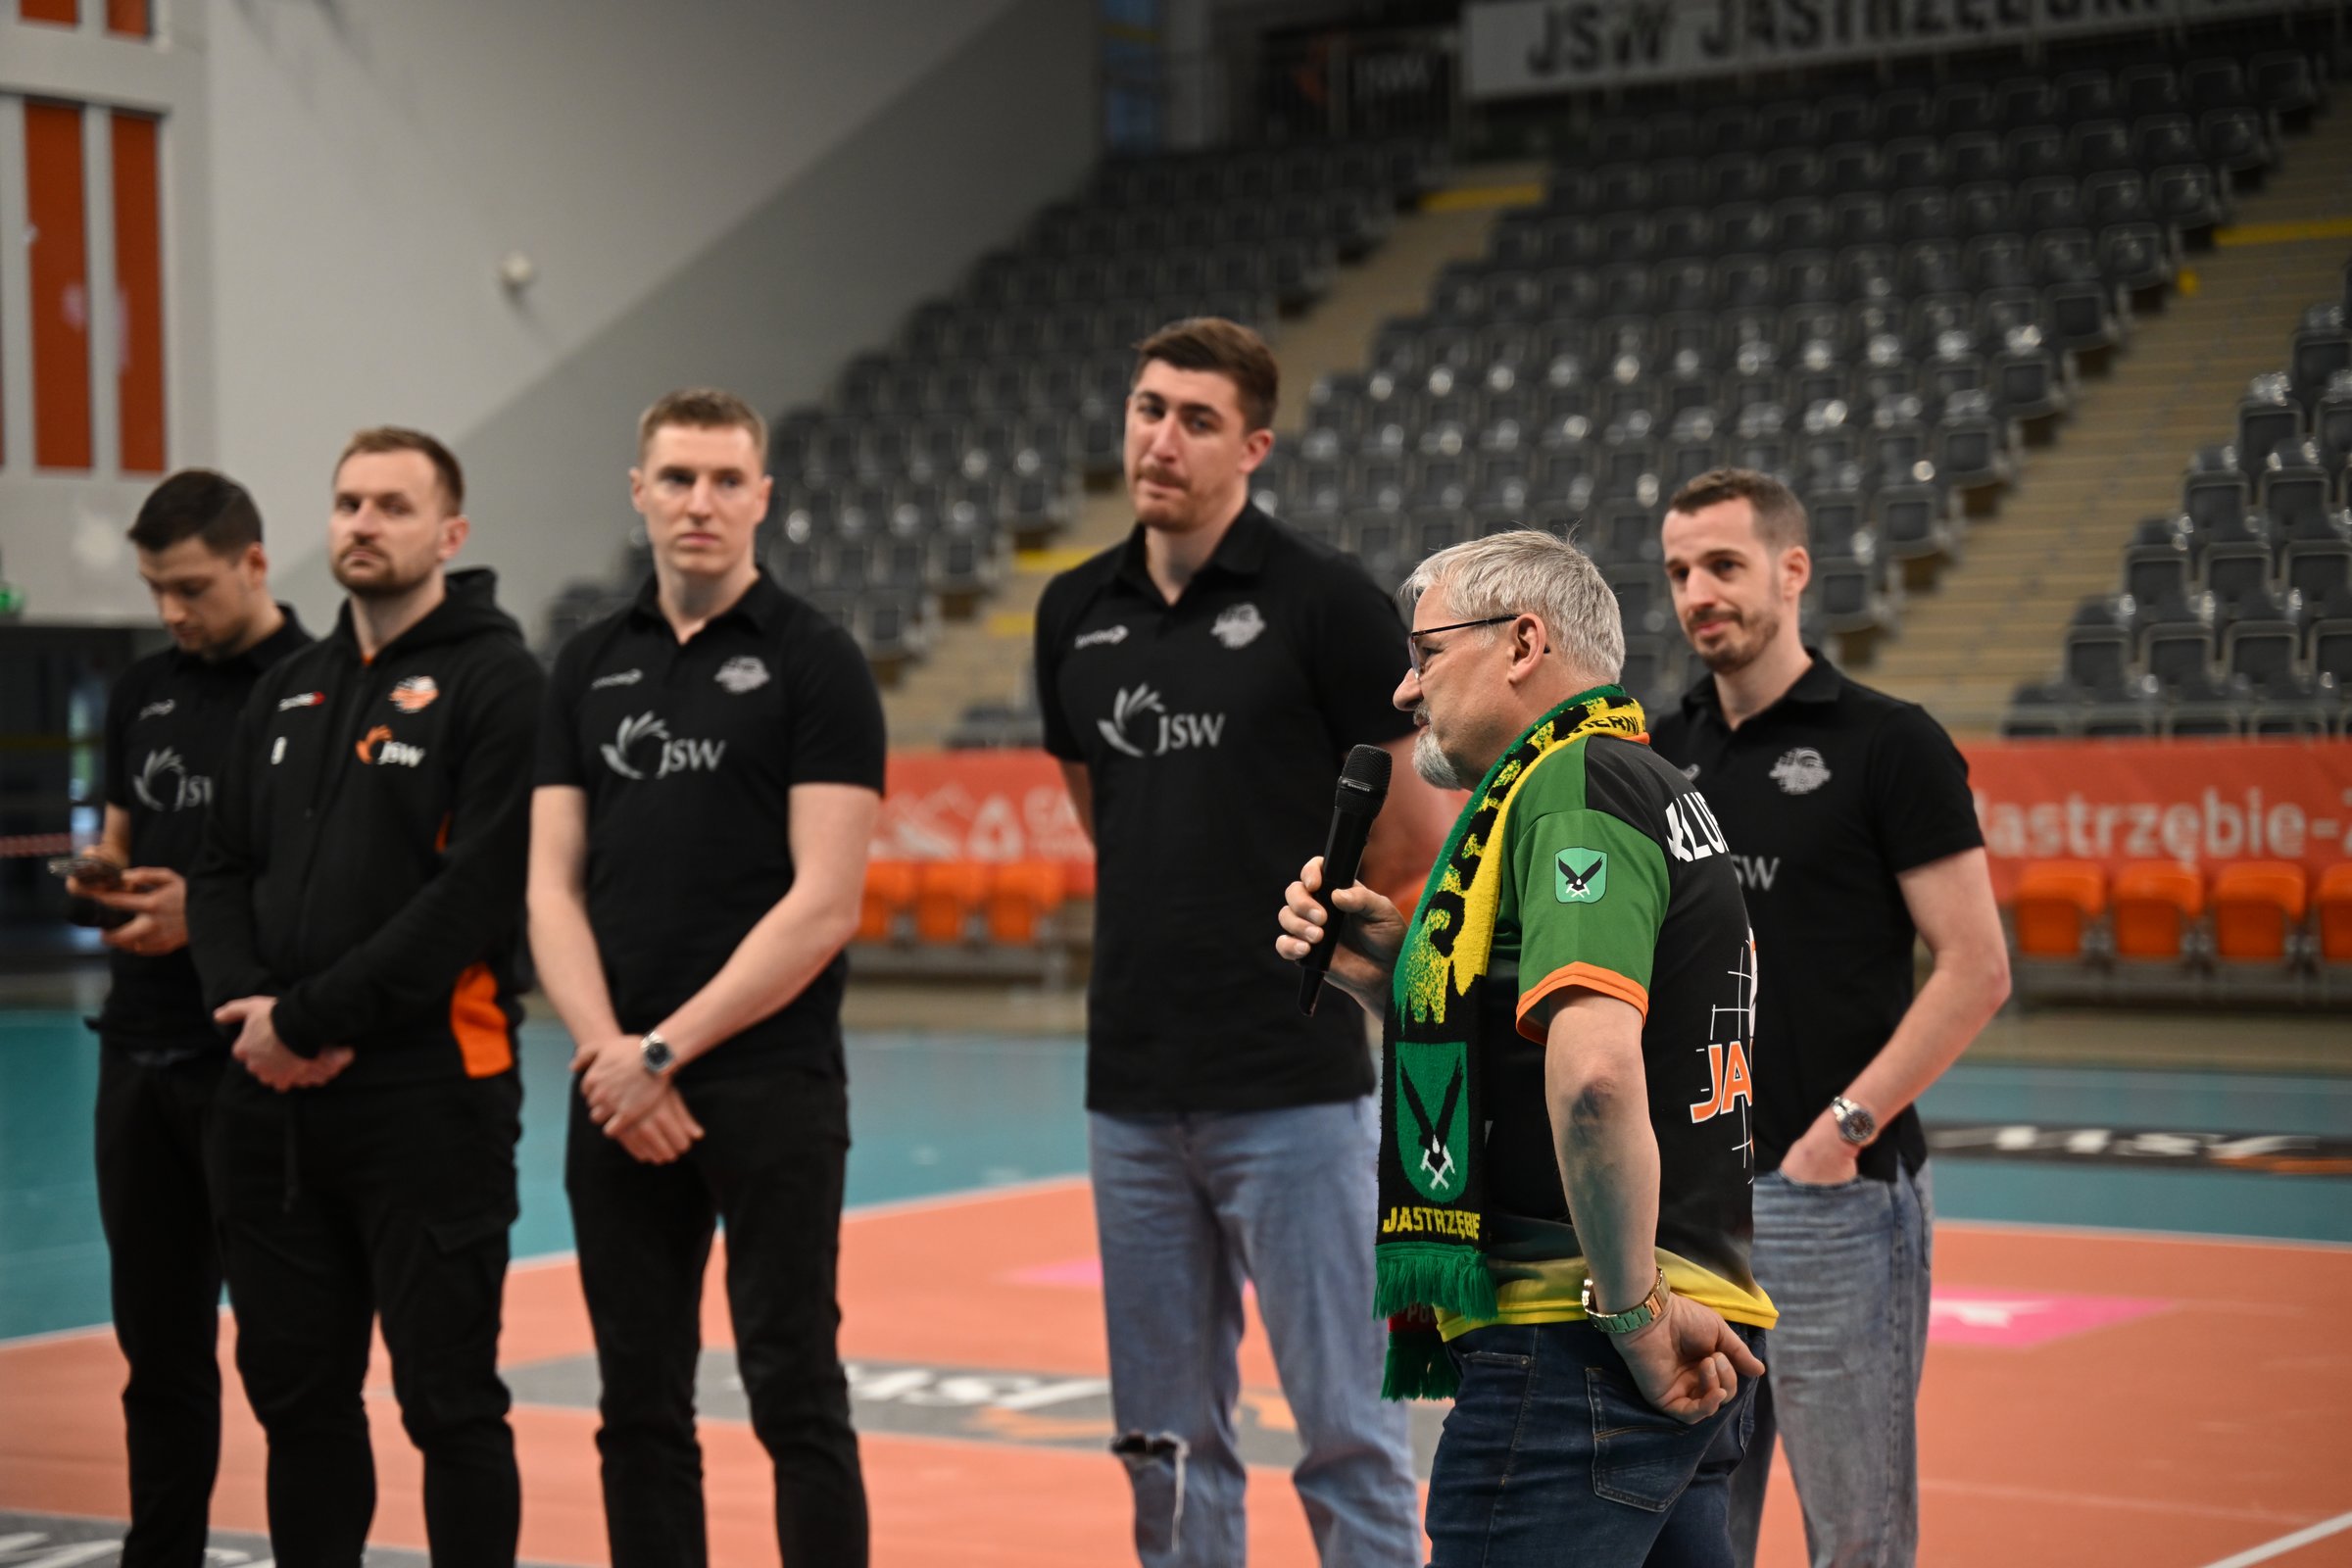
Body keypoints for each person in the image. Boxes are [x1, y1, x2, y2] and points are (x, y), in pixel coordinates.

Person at [1278, 528, 1775, 1566]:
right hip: (1691, 1315)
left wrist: (1632, 1313)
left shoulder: (1571, 783)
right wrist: (1397, 977)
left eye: (1426, 655)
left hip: (1583, 1335)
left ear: (1521, 643)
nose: (1405, 691)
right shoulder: (1650, 782)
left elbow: (1594, 1078)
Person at [1032, 317, 1433, 1568]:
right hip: (1132, 1093)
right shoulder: (1070, 610)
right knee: (1164, 1440)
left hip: (1294, 1088)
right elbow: (1105, 817)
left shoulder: (1327, 602)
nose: (1162, 439)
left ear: (1253, 446)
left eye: (1197, 420)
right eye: (1149, 408)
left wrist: (1335, 969)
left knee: (1350, 1431)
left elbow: (1414, 839)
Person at [528, 387, 884, 1568]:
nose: (700, 502)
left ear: (762, 497)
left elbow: (824, 903)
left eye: (727, 480)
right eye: (677, 478)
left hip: (769, 1082)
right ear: (639, 492)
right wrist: (609, 1056)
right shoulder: (585, 664)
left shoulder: (817, 660)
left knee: (795, 1390)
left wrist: (660, 1051)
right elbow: (549, 889)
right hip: (616, 1093)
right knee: (637, 1405)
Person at [189, 428, 543, 1567]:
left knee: (450, 1403)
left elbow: (473, 897)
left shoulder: (500, 683)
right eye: (349, 503)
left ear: (450, 532)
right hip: (271, 1106)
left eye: (394, 505)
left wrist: (304, 1021)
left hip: (431, 1099)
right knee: (298, 1403)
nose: (363, 524)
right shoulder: (289, 687)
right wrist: (249, 1006)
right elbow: (220, 868)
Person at [1650, 469, 2011, 1568]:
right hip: (1695, 1207)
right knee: (1693, 1528)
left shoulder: (1888, 743)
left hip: (1831, 1201)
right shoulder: (1661, 752)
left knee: (1855, 1533)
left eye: (1724, 565)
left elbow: (1976, 968)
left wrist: (1839, 1135)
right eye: (1679, 572)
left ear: (1792, 570)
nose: (1698, 593)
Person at [69, 471, 310, 1568]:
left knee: (289, 1358)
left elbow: (328, 879)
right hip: (137, 1056)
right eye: (156, 588)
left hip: (250, 1061)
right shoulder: (142, 690)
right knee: (158, 1354)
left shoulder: (317, 687)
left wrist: (201, 917)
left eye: (193, 587)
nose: (172, 610)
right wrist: (104, 875)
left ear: (254, 563)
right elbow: (121, 833)